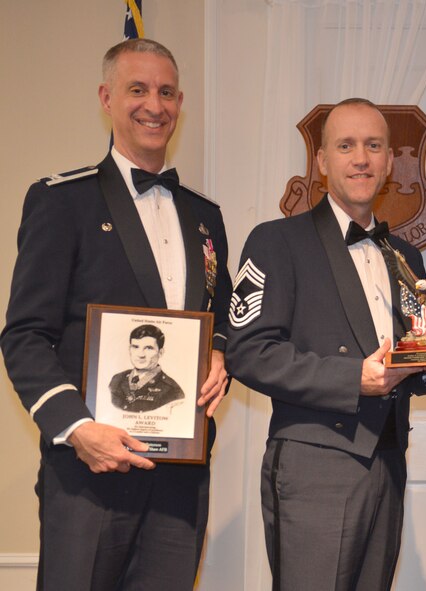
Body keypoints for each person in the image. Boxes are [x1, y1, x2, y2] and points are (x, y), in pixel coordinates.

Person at [1, 38, 232, 590]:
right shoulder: (62, 201)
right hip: (88, 472)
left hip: (179, 474)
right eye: (138, 89)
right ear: (106, 98)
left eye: (167, 92)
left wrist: (220, 348)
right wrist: (76, 428)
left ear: (180, 103)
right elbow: (25, 335)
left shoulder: (206, 216)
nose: (155, 105)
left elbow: (217, 311)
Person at [225, 98, 426, 590]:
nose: (361, 158)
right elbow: (247, 352)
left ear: (390, 161)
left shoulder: (406, 255)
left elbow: (411, 361)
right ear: (322, 162)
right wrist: (353, 380)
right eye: (346, 146)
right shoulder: (275, 241)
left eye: (373, 146)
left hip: (387, 461)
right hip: (313, 464)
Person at [109, 324, 185, 413]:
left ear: (160, 352)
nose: (141, 355)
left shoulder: (172, 390)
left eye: (148, 348)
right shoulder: (117, 380)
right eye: (135, 347)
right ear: (129, 349)